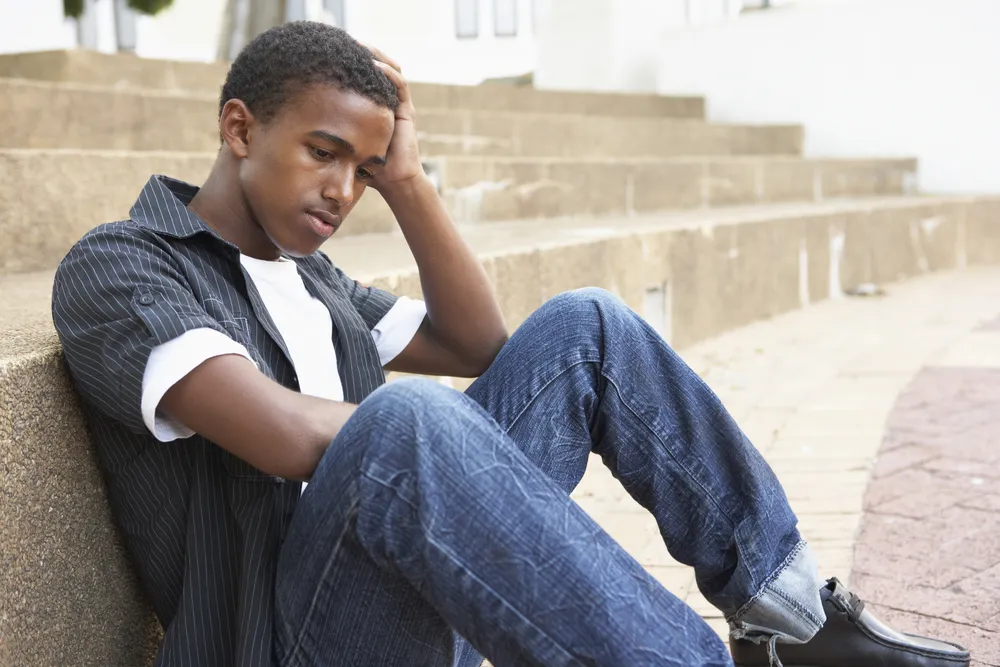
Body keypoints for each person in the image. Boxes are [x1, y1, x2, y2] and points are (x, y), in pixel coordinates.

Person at [50, 21, 970, 667]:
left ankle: (788, 615)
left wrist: (409, 183)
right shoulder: (125, 266)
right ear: (239, 127)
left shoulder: (314, 279)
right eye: (323, 153)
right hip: (292, 643)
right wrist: (438, 447)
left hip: (412, 602)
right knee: (403, 421)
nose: (341, 191)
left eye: (362, 170)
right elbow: (285, 435)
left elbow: (481, 341)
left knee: (584, 326)